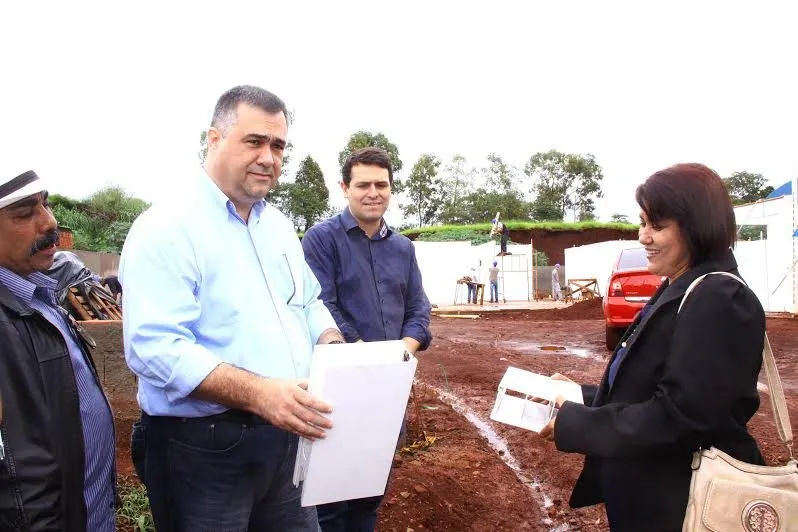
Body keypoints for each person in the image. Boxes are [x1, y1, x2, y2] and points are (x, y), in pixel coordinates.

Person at [120, 86, 345, 532]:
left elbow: (307, 302)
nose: (269, 157)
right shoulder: (166, 228)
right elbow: (154, 347)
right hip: (203, 451)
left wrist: (334, 347)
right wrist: (261, 394)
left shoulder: (277, 226)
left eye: (278, 145)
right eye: (254, 141)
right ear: (215, 139)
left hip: (285, 438)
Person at [537, 163, 766, 531]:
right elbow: (649, 387)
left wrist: (579, 424)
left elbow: (681, 417)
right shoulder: (681, 285)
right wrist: (579, 395)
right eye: (642, 222)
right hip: (655, 500)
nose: (643, 236)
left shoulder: (718, 297)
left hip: (686, 507)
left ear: (697, 227)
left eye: (657, 226)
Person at [302, 146, 432, 532]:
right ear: (345, 187)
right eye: (363, 184)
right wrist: (361, 354)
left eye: (382, 184)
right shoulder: (321, 240)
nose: (373, 192)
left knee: (369, 496)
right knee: (328, 501)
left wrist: (402, 352)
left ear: (391, 188)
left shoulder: (403, 248)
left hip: (389, 387)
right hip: (337, 389)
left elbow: (418, 309)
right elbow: (322, 303)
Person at [0, 170, 116, 531]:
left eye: (45, 204)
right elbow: (20, 476)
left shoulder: (39, 294)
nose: (49, 222)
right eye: (24, 214)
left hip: (92, 514)